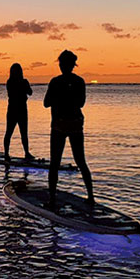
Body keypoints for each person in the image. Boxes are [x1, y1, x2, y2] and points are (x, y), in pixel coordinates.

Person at [44, 50, 93, 207]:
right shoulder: (80, 81)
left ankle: (52, 199)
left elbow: (46, 103)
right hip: (74, 123)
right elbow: (81, 103)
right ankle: (91, 197)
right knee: (81, 161)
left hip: (60, 124)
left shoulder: (55, 82)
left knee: (55, 163)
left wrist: (59, 97)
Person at [4, 63, 35, 160]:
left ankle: (25, 153)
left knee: (21, 133)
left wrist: (25, 85)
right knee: (11, 132)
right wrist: (24, 86)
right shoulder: (11, 82)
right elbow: (28, 92)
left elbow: (30, 92)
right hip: (15, 110)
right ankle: (7, 154)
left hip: (19, 110)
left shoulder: (14, 82)